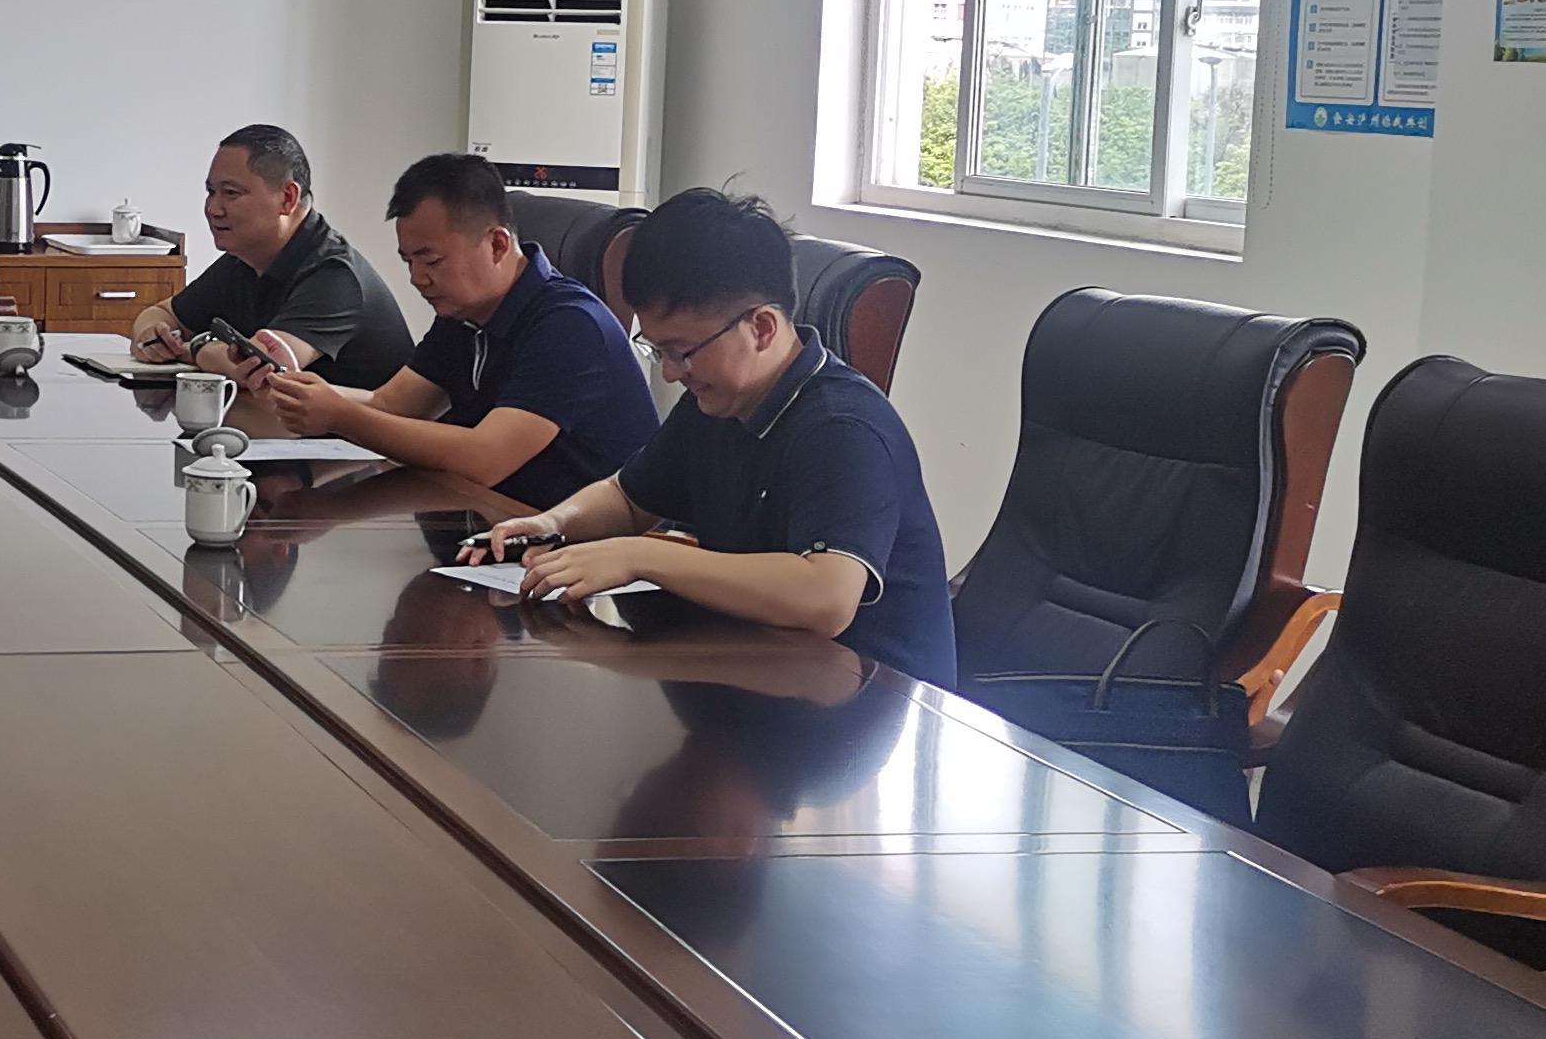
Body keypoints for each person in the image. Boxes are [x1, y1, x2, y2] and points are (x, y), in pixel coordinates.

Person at [472, 186, 955, 685]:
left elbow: (826, 598)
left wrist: (641, 556)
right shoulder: (717, 402)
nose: (669, 373)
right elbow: (627, 498)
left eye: (681, 351)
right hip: (761, 669)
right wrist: (552, 523)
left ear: (761, 328)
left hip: (875, 698)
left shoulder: (842, 427)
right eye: (658, 350)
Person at [234, 152, 656, 511]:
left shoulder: (570, 325)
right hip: (491, 521)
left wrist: (340, 415)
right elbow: (391, 404)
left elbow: (485, 458)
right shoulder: (463, 313)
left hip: (585, 549)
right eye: (408, 261)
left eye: (432, 260)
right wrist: (301, 392)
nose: (417, 278)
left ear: (497, 244)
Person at [126, 123, 410, 386]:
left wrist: (199, 346)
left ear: (287, 198)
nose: (213, 208)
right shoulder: (244, 259)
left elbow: (261, 368)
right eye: (211, 191)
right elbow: (162, 313)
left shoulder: (335, 275)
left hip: (355, 427)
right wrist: (152, 335)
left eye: (231, 193)